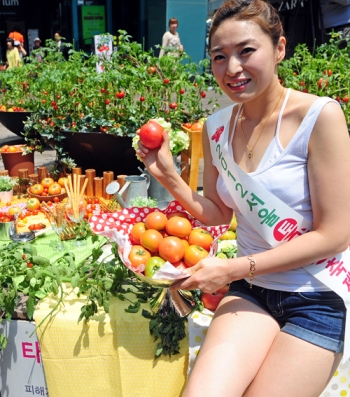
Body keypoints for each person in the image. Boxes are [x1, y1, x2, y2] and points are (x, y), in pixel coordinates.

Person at [136, 0, 350, 395]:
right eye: (220, 57)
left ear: (280, 48)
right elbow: (219, 215)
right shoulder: (216, 127)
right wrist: (170, 178)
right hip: (252, 291)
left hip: (314, 294)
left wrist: (235, 268)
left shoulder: (320, 117)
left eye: (246, 51)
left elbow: (336, 235)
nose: (232, 68)